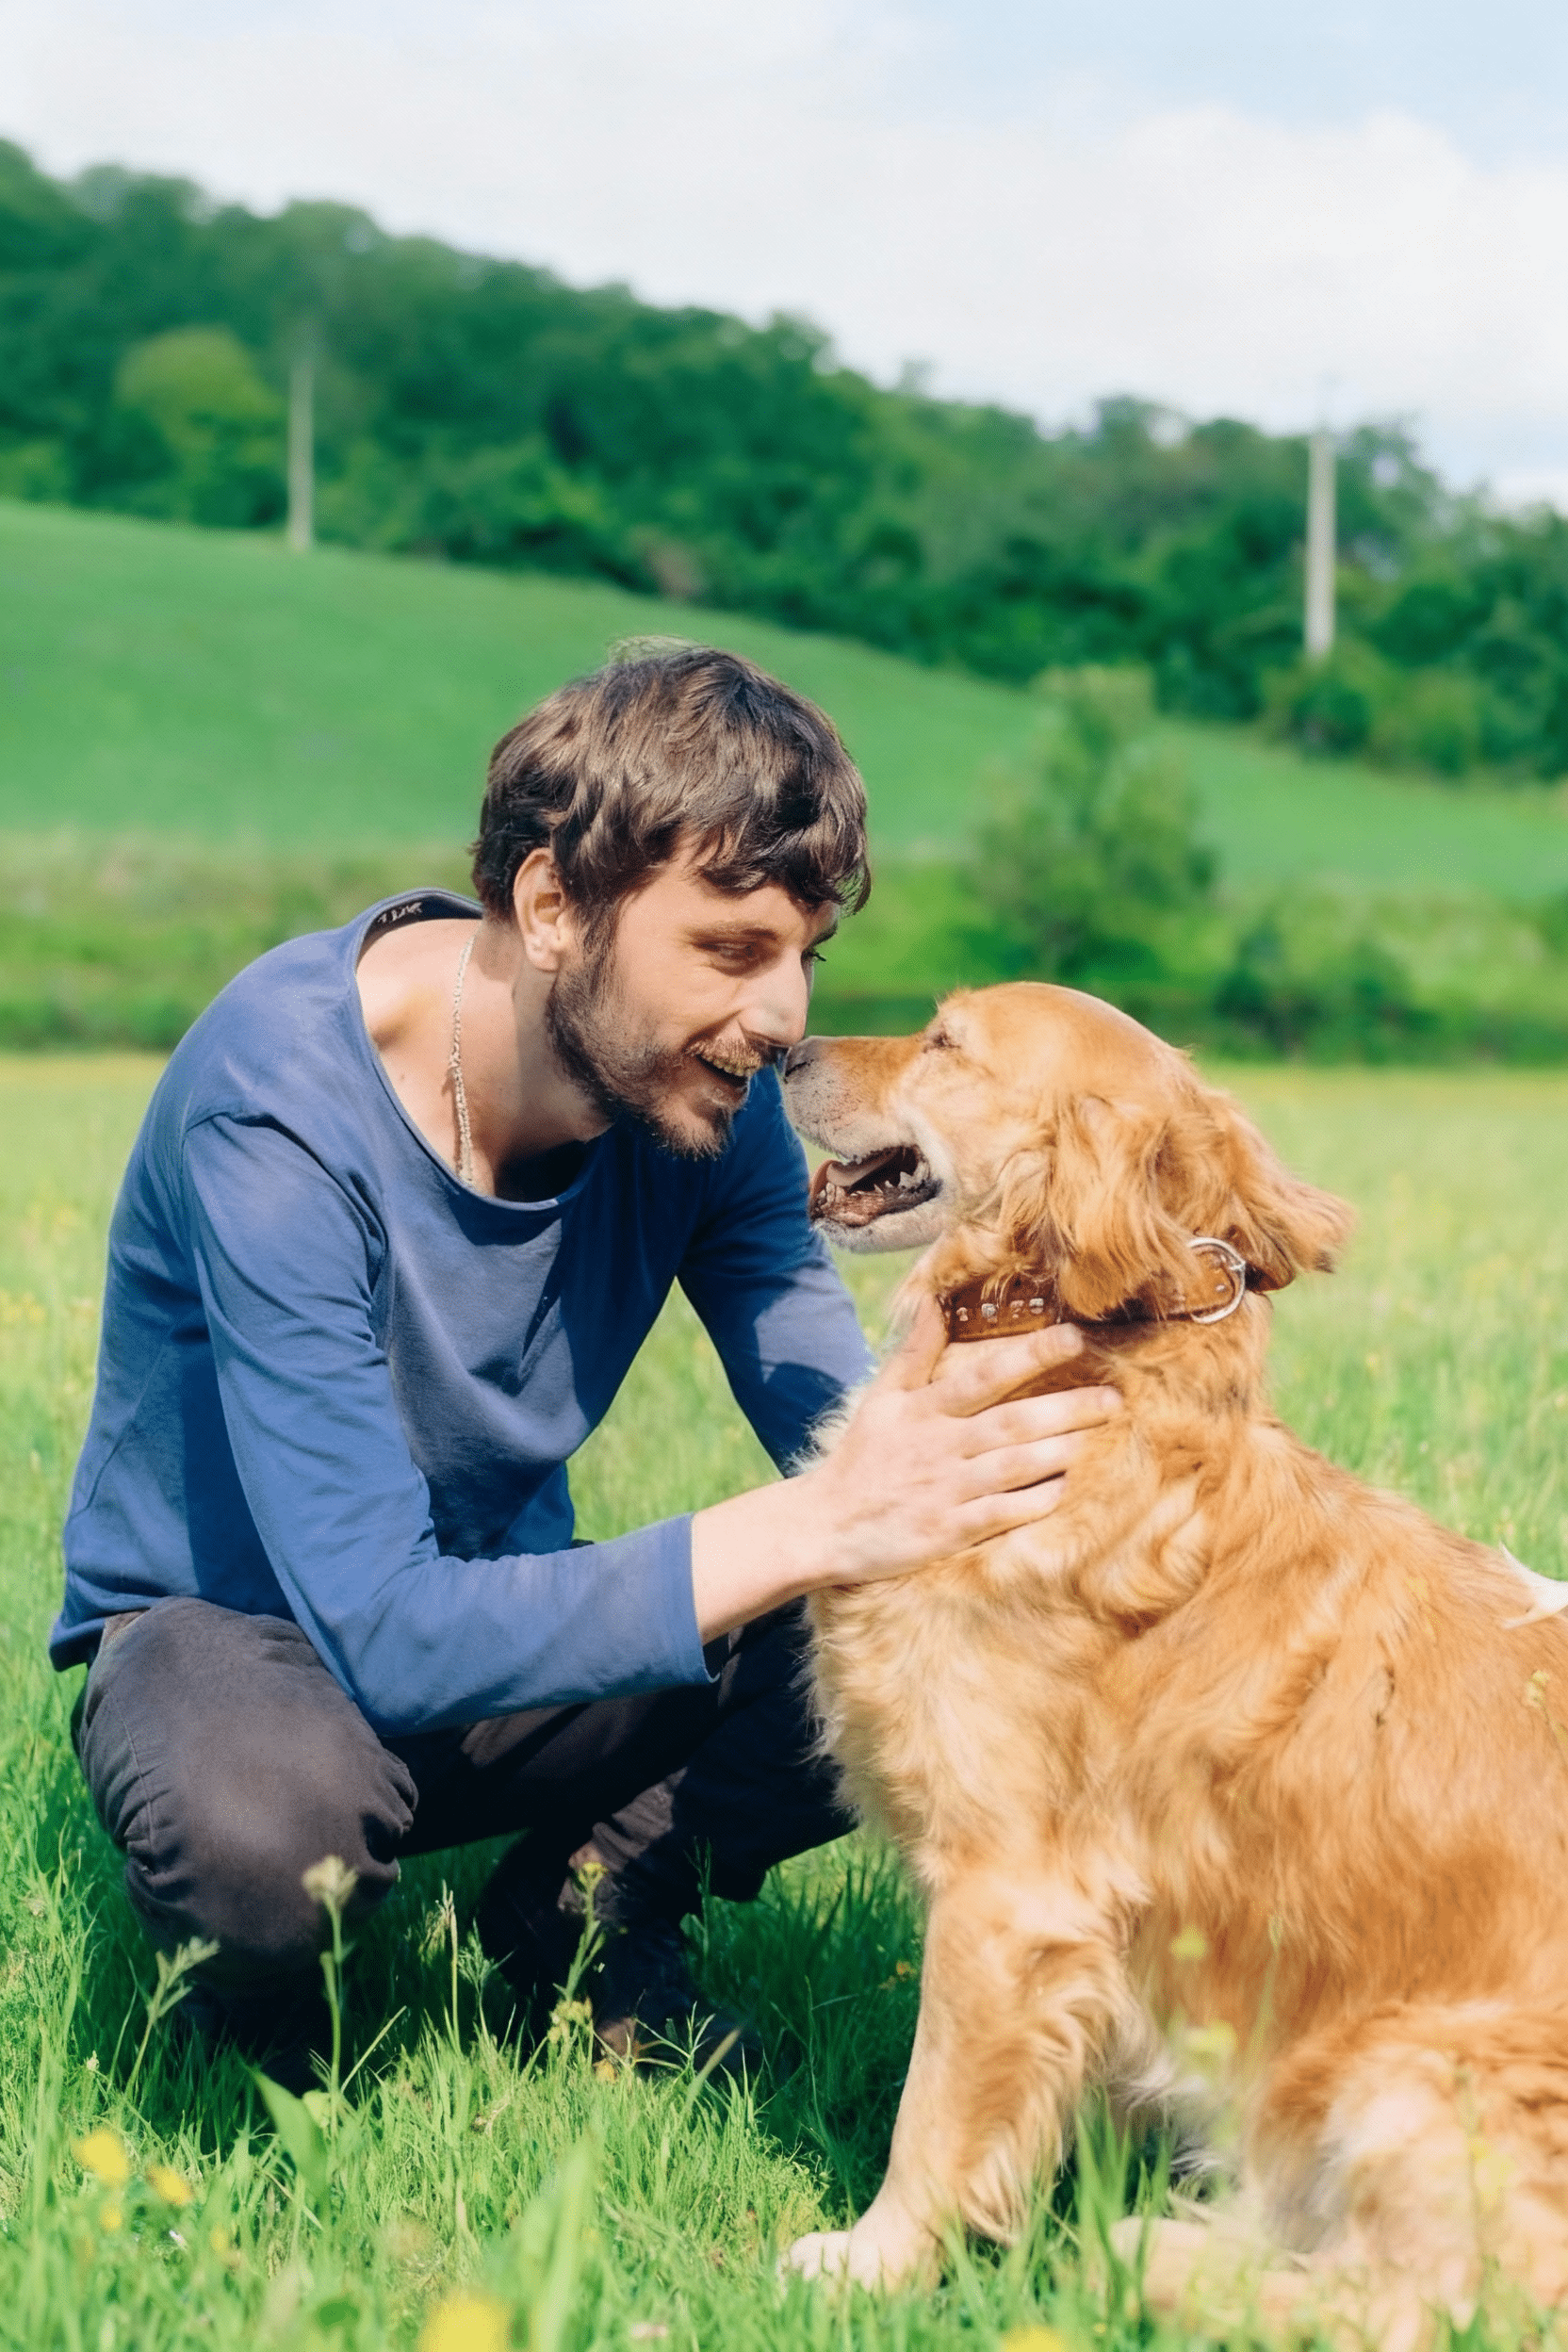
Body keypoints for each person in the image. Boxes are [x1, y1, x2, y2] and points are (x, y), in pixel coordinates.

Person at [53, 644, 1118, 2082]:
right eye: (731, 951)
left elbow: (842, 1426)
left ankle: (584, 1912)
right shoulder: (277, 1106)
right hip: (241, 1648)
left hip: (507, 1645)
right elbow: (382, 1623)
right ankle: (276, 2034)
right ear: (553, 904)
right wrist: (829, 1517)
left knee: (938, 1607)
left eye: (805, 956)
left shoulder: (704, 1100)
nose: (785, 1019)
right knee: (262, 1835)